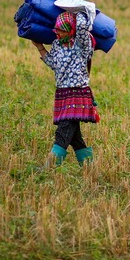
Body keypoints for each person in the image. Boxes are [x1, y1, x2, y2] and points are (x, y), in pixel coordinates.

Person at [31, 9, 99, 168]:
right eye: (56, 30)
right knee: (74, 136)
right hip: (63, 93)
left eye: (60, 31)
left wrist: (80, 10)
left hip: (77, 93)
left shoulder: (82, 44)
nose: (57, 34)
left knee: (64, 131)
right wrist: (40, 47)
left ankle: (49, 168)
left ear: (70, 30)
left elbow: (81, 28)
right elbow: (54, 65)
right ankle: (90, 168)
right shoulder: (56, 45)